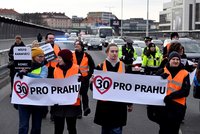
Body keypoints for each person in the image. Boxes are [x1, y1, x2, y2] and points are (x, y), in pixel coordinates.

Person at [94, 44, 133, 134]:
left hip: (118, 106)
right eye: (112, 51)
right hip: (105, 106)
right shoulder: (100, 67)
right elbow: (94, 89)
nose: (114, 53)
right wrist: (93, 82)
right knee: (106, 130)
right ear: (107, 52)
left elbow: (129, 87)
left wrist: (129, 103)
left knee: (116, 130)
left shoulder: (125, 67)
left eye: (116, 51)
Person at [156, 51, 190, 134]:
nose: (176, 61)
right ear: (169, 60)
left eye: (178, 59)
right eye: (173, 59)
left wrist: (171, 96)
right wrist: (159, 78)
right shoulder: (162, 71)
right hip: (164, 106)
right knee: (163, 129)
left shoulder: (185, 73)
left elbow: (186, 91)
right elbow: (153, 86)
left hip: (178, 107)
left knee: (174, 130)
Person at [17, 47, 48, 134]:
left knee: (36, 127)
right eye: (39, 56)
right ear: (33, 57)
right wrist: (18, 72)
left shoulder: (44, 68)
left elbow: (42, 78)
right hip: (24, 102)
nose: (42, 58)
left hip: (37, 101)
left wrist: (27, 74)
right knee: (23, 127)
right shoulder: (22, 66)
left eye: (43, 56)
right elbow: (17, 80)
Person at [51, 49, 81, 134]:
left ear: (65, 58)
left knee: (71, 128)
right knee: (58, 129)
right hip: (58, 103)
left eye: (60, 57)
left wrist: (81, 80)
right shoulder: (55, 69)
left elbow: (82, 86)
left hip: (72, 104)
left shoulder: (76, 68)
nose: (58, 59)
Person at [72, 40, 95, 118]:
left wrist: (89, 75)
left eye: (78, 45)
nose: (76, 47)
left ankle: (86, 108)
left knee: (84, 93)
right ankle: (79, 112)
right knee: (77, 95)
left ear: (82, 47)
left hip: (84, 78)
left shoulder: (87, 55)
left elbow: (92, 66)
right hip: (74, 78)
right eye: (75, 45)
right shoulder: (71, 55)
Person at [45, 33, 61, 120]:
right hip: (45, 72)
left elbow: (60, 59)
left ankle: (53, 113)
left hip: (55, 72)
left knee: (54, 93)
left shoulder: (57, 47)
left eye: (52, 38)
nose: (51, 39)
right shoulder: (42, 48)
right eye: (50, 38)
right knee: (44, 93)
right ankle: (44, 111)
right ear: (46, 39)